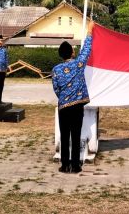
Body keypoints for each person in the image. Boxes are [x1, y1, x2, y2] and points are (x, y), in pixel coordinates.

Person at [52, 21, 94, 173]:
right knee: (76, 135)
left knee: (64, 136)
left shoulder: (56, 69)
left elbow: (56, 88)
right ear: (72, 53)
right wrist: (90, 30)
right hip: (77, 106)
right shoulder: (78, 65)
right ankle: (75, 165)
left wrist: (64, 97)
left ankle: (64, 165)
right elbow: (87, 50)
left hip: (63, 106)